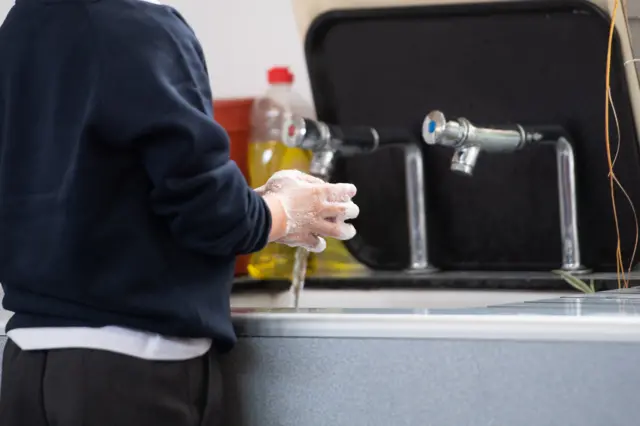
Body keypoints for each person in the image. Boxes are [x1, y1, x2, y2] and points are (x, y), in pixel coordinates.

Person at [0, 0, 360, 425]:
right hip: (131, 374)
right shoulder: (140, 28)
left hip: (27, 366)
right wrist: (283, 212)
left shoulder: (25, 24)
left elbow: (100, 194)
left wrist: (253, 204)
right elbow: (211, 213)